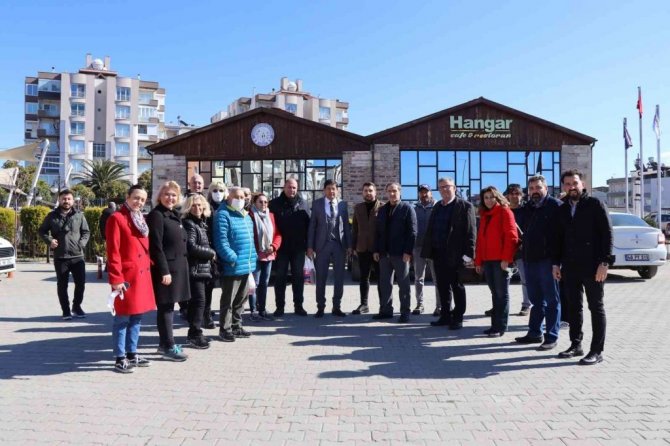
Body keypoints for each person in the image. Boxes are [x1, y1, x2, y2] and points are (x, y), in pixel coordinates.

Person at [552, 170, 612, 365]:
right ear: (563, 186)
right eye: (568, 184)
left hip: (594, 266)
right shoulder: (562, 209)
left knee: (596, 307)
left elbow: (607, 234)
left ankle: (597, 351)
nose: (572, 187)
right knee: (573, 307)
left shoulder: (595, 204)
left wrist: (604, 263)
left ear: (582, 184)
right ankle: (575, 345)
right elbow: (558, 239)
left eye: (575, 183)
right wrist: (556, 263)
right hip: (570, 267)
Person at [105, 185, 155, 373]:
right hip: (126, 277)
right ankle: (120, 358)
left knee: (137, 317)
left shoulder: (141, 218)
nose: (139, 202)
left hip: (141, 275)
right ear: (127, 197)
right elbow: (113, 251)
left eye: (142, 199)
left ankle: (132, 353)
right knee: (122, 319)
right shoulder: (117, 218)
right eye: (136, 198)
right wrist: (116, 279)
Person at [421, 177, 477, 330]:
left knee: (457, 286)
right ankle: (445, 315)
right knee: (442, 286)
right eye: (441, 187)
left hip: (456, 255)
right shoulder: (438, 206)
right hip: (438, 254)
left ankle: (458, 317)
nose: (444, 189)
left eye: (447, 186)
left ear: (454, 188)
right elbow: (431, 229)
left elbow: (471, 232)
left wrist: (468, 254)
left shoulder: (465, 206)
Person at [514, 175, 562, 350]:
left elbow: (561, 235)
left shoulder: (556, 206)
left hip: (548, 261)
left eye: (538, 187)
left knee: (552, 300)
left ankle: (551, 336)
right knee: (535, 299)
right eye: (532, 188)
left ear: (546, 188)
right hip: (529, 260)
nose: (535, 191)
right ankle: (534, 333)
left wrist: (557, 262)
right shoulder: (527, 208)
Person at [147, 181, 190, 361]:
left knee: (170, 307)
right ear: (160, 196)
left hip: (178, 268)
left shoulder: (174, 214)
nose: (170, 198)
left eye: (174, 195)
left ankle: (163, 344)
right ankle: (168, 346)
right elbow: (156, 246)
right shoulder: (157, 215)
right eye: (167, 194)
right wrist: (164, 271)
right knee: (165, 308)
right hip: (166, 270)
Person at [213, 187, 258, 342]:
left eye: (242, 197)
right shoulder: (223, 215)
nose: (240, 200)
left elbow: (251, 240)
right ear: (228, 198)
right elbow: (221, 242)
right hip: (232, 266)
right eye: (236, 197)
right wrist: (232, 258)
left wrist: (252, 258)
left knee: (241, 299)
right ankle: (225, 329)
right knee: (229, 301)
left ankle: (236, 326)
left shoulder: (246, 215)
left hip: (246, 264)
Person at [38, 189, 91, 320]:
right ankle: (66, 311)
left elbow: (86, 232)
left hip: (77, 257)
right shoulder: (51, 216)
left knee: (81, 284)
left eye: (68, 199)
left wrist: (81, 244)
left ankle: (76, 307)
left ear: (73, 201)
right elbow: (42, 231)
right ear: (59, 200)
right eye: (63, 199)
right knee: (62, 285)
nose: (66, 201)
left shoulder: (79, 215)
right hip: (61, 257)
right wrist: (49, 241)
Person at [475, 186, 519, 337]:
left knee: (501, 294)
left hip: (500, 261)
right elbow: (480, 240)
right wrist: (478, 261)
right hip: (488, 261)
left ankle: (500, 327)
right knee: (495, 293)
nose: (488, 200)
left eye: (491, 197)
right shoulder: (484, 215)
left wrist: (506, 258)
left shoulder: (505, 211)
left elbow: (512, 237)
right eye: (486, 198)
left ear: (497, 197)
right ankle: (494, 325)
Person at [307, 180, 352, 318]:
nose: (331, 191)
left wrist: (349, 246)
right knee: (321, 278)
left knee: (339, 278)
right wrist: (310, 246)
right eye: (328, 189)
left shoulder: (343, 205)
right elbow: (312, 226)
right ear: (324, 190)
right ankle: (320, 307)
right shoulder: (317, 204)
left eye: (333, 189)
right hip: (322, 246)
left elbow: (346, 226)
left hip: (339, 245)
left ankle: (336, 307)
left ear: (337, 190)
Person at [373, 183, 417, 323]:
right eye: (389, 191)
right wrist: (376, 250)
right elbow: (377, 232)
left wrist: (408, 251)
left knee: (403, 285)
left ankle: (405, 312)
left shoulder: (407, 208)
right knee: (385, 284)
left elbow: (412, 232)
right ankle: (386, 311)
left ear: (400, 192)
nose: (392, 194)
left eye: (394, 191)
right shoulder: (382, 210)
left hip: (401, 254)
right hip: (384, 254)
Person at [268, 178, 311, 317]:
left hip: (298, 248)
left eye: (294, 188)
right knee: (280, 278)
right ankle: (279, 307)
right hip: (281, 248)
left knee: (298, 277)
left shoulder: (303, 204)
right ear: (284, 188)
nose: (291, 190)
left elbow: (309, 226)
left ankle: (299, 306)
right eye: (289, 187)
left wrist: (309, 246)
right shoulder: (274, 204)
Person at [182, 194, 216, 349]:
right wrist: (211, 253)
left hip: (202, 268)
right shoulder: (189, 223)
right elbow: (191, 246)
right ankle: (195, 333)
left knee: (199, 301)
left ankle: (194, 332)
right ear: (189, 207)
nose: (197, 208)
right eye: (194, 205)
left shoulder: (201, 223)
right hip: (194, 269)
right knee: (199, 301)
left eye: (200, 205)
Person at [350, 182, 383, 315]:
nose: (368, 193)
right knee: (364, 278)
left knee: (381, 278)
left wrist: (381, 248)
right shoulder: (358, 208)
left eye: (370, 190)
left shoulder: (382, 207)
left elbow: (384, 230)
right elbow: (355, 229)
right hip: (362, 248)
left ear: (375, 192)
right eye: (365, 191)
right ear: (362, 193)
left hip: (378, 249)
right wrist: (353, 247)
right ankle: (364, 304)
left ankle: (383, 305)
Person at [249, 192, 282, 320]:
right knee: (254, 284)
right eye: (260, 202)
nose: (263, 204)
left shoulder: (271, 216)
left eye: (265, 202)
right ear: (254, 203)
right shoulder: (250, 216)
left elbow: (278, 234)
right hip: (255, 255)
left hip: (269, 254)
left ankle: (262, 309)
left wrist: (273, 246)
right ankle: (253, 311)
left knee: (264, 283)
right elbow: (248, 235)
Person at [203, 181, 228, 329]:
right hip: (211, 252)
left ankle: (227, 315)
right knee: (209, 285)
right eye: (215, 190)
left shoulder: (228, 207)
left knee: (227, 285)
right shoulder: (206, 208)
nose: (218, 193)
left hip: (225, 251)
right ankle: (206, 315)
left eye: (221, 190)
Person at [413, 184, 441, 316]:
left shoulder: (438, 207)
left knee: (437, 278)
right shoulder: (414, 209)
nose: (424, 194)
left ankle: (439, 306)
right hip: (418, 247)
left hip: (434, 248)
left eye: (426, 192)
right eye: (421, 192)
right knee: (418, 278)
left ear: (431, 193)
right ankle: (419, 304)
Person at [505, 183, 532, 316]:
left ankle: (526, 305)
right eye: (512, 193)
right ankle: (500, 306)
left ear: (522, 195)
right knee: (502, 281)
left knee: (525, 279)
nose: (515, 196)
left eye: (518, 193)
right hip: (506, 250)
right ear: (507, 195)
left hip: (522, 250)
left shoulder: (527, 210)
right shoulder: (504, 210)